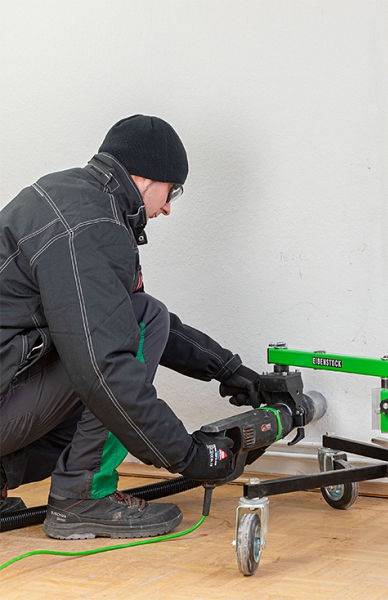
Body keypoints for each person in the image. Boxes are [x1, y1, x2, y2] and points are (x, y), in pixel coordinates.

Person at [0, 115, 263, 539]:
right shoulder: (93, 227)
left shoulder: (68, 197)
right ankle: (82, 497)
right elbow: (109, 361)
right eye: (172, 191)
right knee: (121, 353)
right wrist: (189, 456)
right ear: (146, 179)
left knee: (131, 326)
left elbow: (115, 318)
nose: (169, 207)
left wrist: (227, 370)